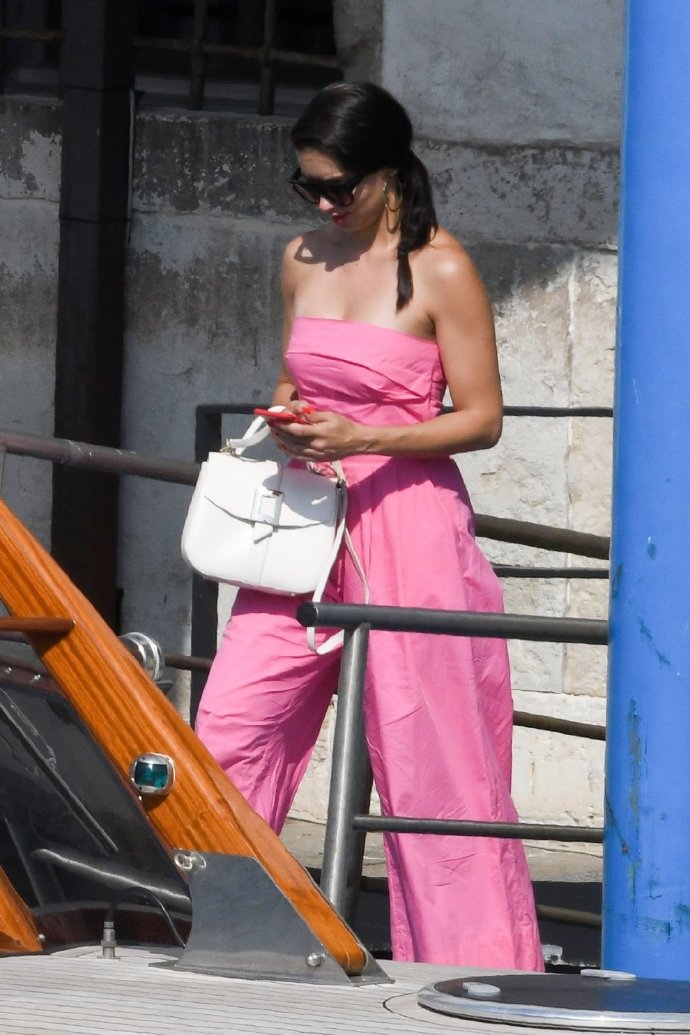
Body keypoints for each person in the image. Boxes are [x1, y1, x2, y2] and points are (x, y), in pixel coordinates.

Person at [196, 81, 544, 971]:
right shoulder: (300, 257)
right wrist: (287, 418)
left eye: (338, 186)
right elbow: (294, 378)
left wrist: (365, 435)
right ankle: (215, 927)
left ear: (389, 171)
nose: (322, 203)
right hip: (307, 523)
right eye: (307, 185)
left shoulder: (442, 267)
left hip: (411, 522)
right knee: (233, 724)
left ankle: (474, 972)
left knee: (436, 761)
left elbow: (483, 418)